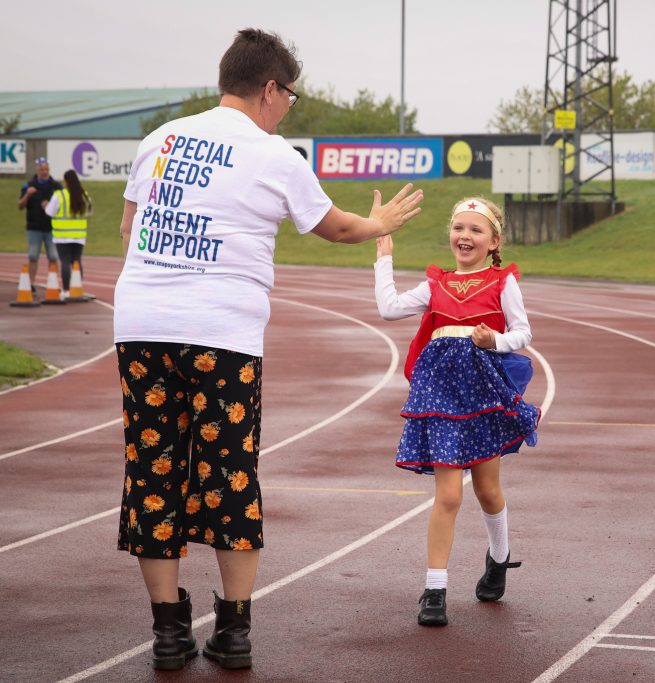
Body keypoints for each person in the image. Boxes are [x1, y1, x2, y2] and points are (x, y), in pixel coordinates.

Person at [114, 28, 423, 671]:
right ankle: (233, 630)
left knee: (153, 469)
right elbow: (333, 226)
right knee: (227, 472)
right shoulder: (273, 153)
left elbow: (128, 229)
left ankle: (169, 633)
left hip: (141, 326)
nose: (288, 108)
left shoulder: (158, 141)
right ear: (271, 89)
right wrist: (381, 225)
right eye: (290, 96)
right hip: (222, 334)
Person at [373, 196, 540, 626]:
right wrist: (383, 257)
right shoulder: (435, 284)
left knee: (487, 490)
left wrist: (495, 342)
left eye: (475, 230)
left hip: (483, 392)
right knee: (448, 494)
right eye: (459, 228)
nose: (465, 236)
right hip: (441, 394)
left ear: (493, 240)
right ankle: (434, 590)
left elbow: (523, 333)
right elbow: (389, 309)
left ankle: (499, 558)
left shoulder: (503, 282)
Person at [45, 169, 92, 299]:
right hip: (79, 236)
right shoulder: (84, 195)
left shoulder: (59, 195)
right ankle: (77, 289)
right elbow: (90, 212)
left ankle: (66, 291)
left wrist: (45, 205)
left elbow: (49, 212)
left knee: (65, 262)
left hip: (62, 236)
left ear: (66, 181)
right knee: (77, 261)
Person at [17, 157, 62, 294]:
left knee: (53, 257)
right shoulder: (28, 185)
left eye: (46, 169)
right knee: (33, 256)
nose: (44, 171)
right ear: (37, 169)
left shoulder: (57, 186)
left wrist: (51, 207)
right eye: (42, 169)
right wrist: (27, 196)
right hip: (34, 228)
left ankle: (53, 284)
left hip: (51, 228)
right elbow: (20, 206)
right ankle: (30, 284)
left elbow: (64, 205)